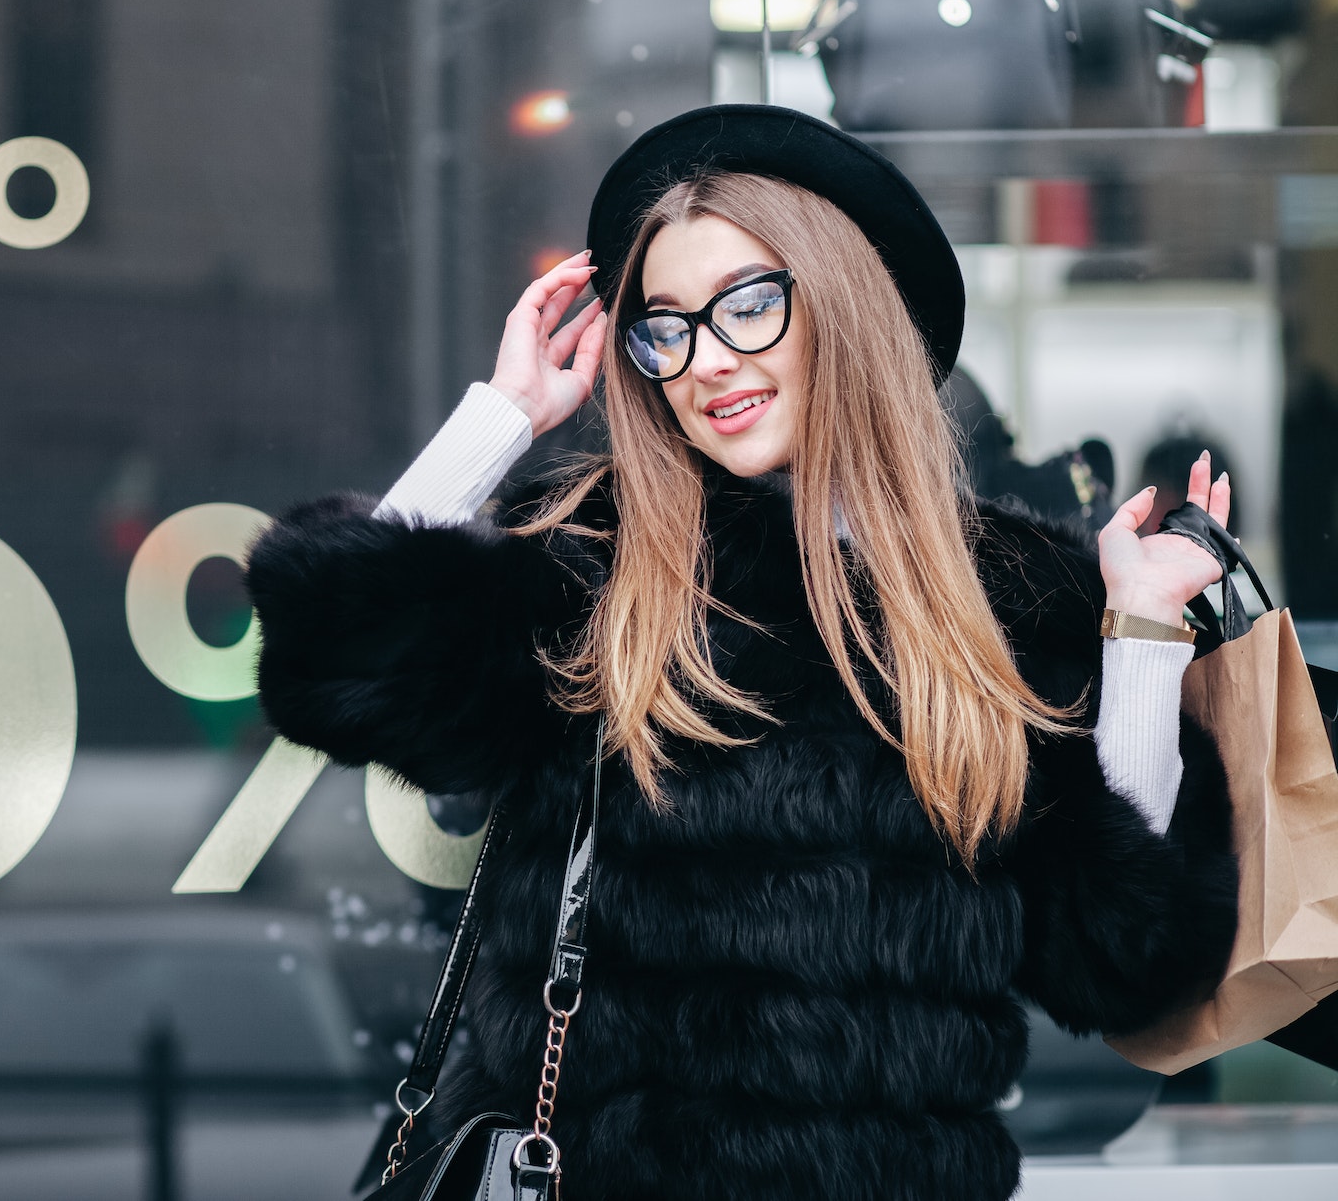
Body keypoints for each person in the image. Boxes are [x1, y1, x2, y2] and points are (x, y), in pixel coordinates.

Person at [245, 105, 1239, 1200]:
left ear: (844, 304)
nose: (704, 360)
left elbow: (1122, 952)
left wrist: (1139, 632)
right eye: (662, 326)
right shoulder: (603, 560)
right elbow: (332, 656)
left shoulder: (999, 593)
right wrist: (502, 418)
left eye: (748, 305)